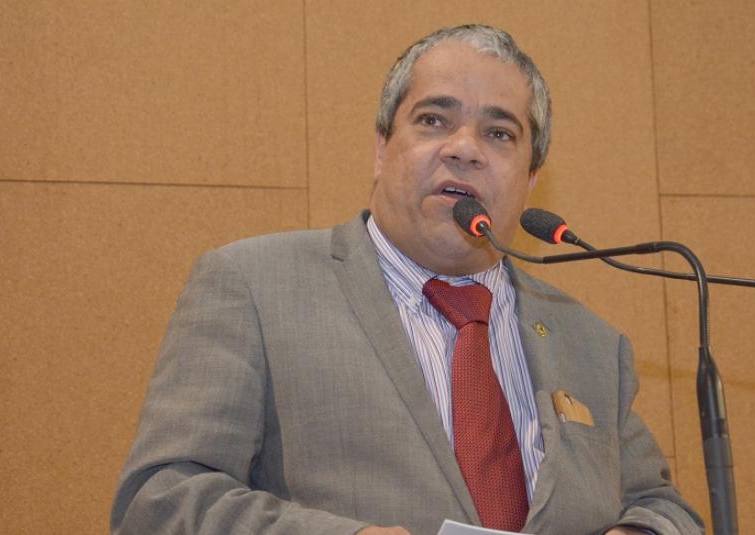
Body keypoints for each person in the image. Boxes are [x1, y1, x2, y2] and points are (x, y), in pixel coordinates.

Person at [111, 25, 704, 535]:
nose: (464, 149)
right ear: (381, 149)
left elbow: (664, 508)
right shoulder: (254, 287)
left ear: (530, 179)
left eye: (499, 134)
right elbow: (159, 501)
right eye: (433, 120)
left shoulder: (591, 343)